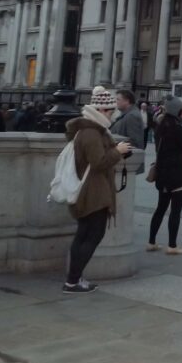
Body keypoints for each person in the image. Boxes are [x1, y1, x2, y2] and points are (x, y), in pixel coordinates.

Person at [63, 86, 131, 294]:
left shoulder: (90, 130)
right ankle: (73, 280)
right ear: (100, 110)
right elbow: (99, 162)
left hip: (91, 191)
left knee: (84, 234)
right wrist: (117, 151)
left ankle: (74, 278)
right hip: (93, 192)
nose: (112, 114)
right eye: (110, 111)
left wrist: (116, 151)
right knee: (92, 234)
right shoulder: (91, 132)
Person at [148, 95, 182, 255]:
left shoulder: (160, 127)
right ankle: (172, 245)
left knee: (160, 208)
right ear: (178, 111)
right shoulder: (177, 128)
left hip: (163, 172)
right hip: (178, 173)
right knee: (175, 211)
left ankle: (151, 241)